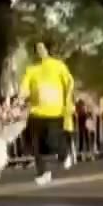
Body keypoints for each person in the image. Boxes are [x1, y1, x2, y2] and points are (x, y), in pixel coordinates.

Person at [18, 42, 74, 186]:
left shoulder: (58, 65)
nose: (39, 51)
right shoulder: (31, 69)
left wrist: (68, 102)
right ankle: (43, 173)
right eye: (37, 49)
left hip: (55, 112)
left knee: (52, 141)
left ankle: (64, 154)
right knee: (36, 145)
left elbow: (69, 83)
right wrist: (20, 98)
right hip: (36, 113)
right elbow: (24, 87)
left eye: (41, 48)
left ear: (48, 50)